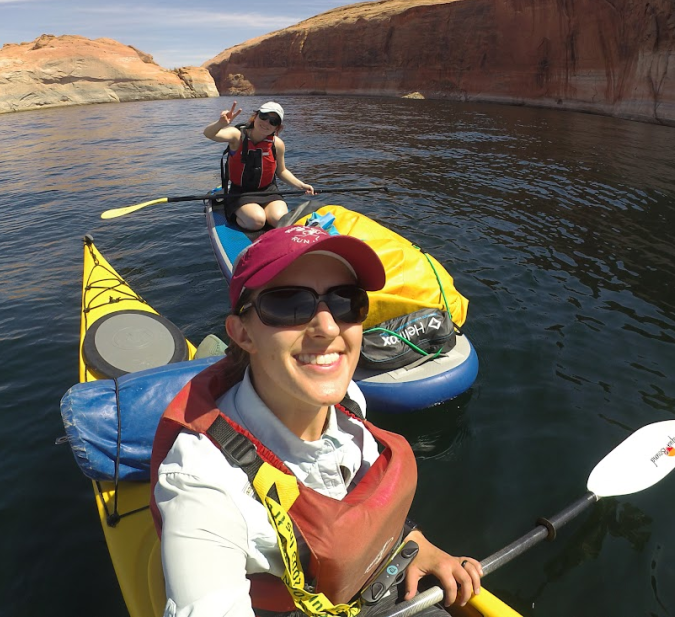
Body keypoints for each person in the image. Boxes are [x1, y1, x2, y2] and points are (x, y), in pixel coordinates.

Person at [150, 225, 483, 617]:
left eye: (346, 301)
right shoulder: (202, 481)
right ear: (242, 333)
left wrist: (414, 542)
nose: (327, 327)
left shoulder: (350, 401)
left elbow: (354, 503)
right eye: (288, 303)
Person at [203, 101, 314, 230]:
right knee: (257, 221)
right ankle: (237, 212)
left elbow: (281, 171)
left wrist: (301, 185)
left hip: (268, 191)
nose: (266, 123)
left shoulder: (277, 144)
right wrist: (220, 124)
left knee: (280, 220)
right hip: (240, 192)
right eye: (264, 116)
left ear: (277, 127)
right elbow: (209, 134)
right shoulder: (236, 135)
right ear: (255, 116)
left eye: (273, 121)